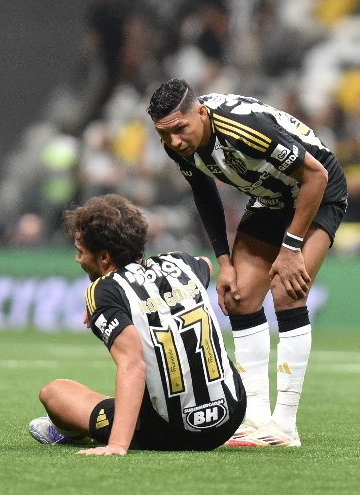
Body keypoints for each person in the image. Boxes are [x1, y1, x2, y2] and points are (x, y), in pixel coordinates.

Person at [146, 79, 348, 447]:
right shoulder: (178, 143)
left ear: (201, 113)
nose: (175, 141)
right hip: (270, 196)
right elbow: (204, 192)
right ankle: (253, 417)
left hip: (317, 190)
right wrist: (225, 262)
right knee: (238, 297)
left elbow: (315, 175)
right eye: (165, 135)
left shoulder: (245, 131)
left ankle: (285, 426)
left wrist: (291, 248)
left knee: (287, 291)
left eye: (180, 129)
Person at [29, 194, 245, 455]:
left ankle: (86, 433)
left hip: (170, 432)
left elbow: (133, 365)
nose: (77, 259)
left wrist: (117, 445)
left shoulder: (104, 291)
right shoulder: (181, 263)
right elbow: (206, 265)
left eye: (80, 251)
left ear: (105, 257)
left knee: (54, 393)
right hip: (229, 416)